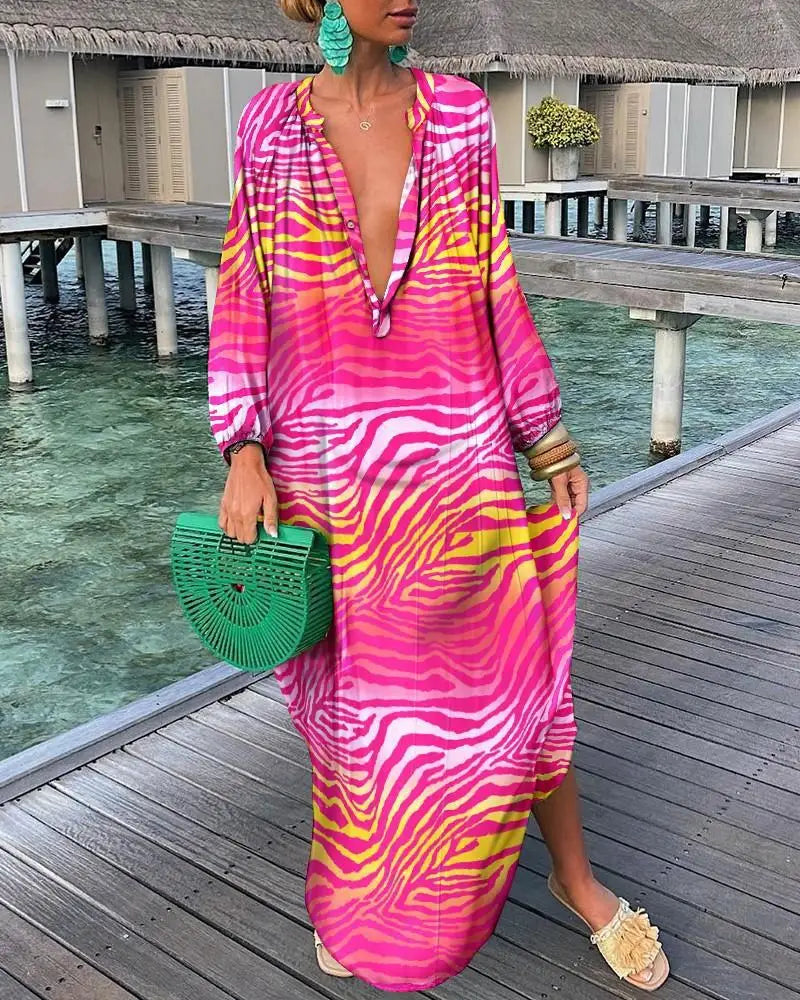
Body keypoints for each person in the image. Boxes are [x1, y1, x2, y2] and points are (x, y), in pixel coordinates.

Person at [207, 0, 669, 992]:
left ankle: (575, 880)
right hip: (329, 483)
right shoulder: (268, 127)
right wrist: (240, 446)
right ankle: (352, 896)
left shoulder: (457, 116)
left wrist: (544, 435)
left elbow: (494, 284)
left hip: (459, 473)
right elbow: (243, 291)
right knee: (359, 722)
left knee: (519, 692)